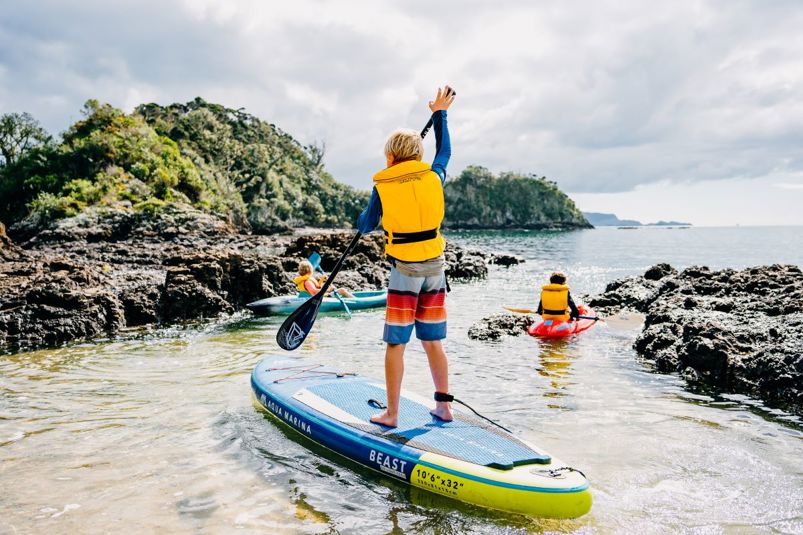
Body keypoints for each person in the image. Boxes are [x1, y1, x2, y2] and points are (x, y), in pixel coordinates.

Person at [357, 85, 456, 428]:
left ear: (390, 157)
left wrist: (368, 212)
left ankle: (393, 414)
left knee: (396, 344)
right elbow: (445, 151)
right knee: (433, 341)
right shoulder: (434, 176)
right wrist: (440, 113)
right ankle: (443, 406)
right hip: (436, 269)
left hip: (405, 272)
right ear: (418, 155)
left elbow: (367, 225)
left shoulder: (383, 185)